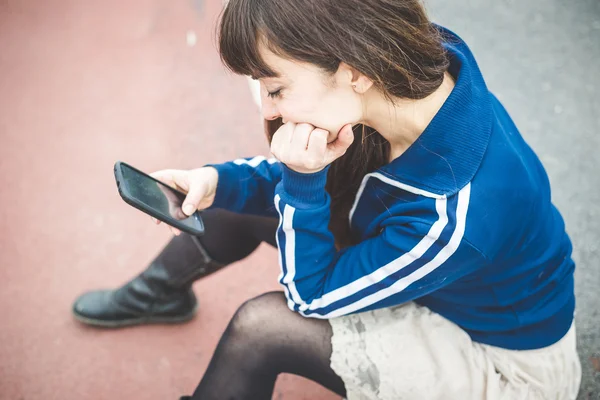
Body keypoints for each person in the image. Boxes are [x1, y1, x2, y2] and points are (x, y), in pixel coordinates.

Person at [72, 0, 583, 398]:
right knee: (228, 200)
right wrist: (216, 179)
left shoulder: (455, 215)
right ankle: (160, 294)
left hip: (501, 364)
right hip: (437, 273)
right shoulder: (407, 76)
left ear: (353, 72)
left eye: (275, 89)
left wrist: (300, 180)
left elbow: (309, 298)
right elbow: (320, 186)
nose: (269, 108)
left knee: (264, 327)